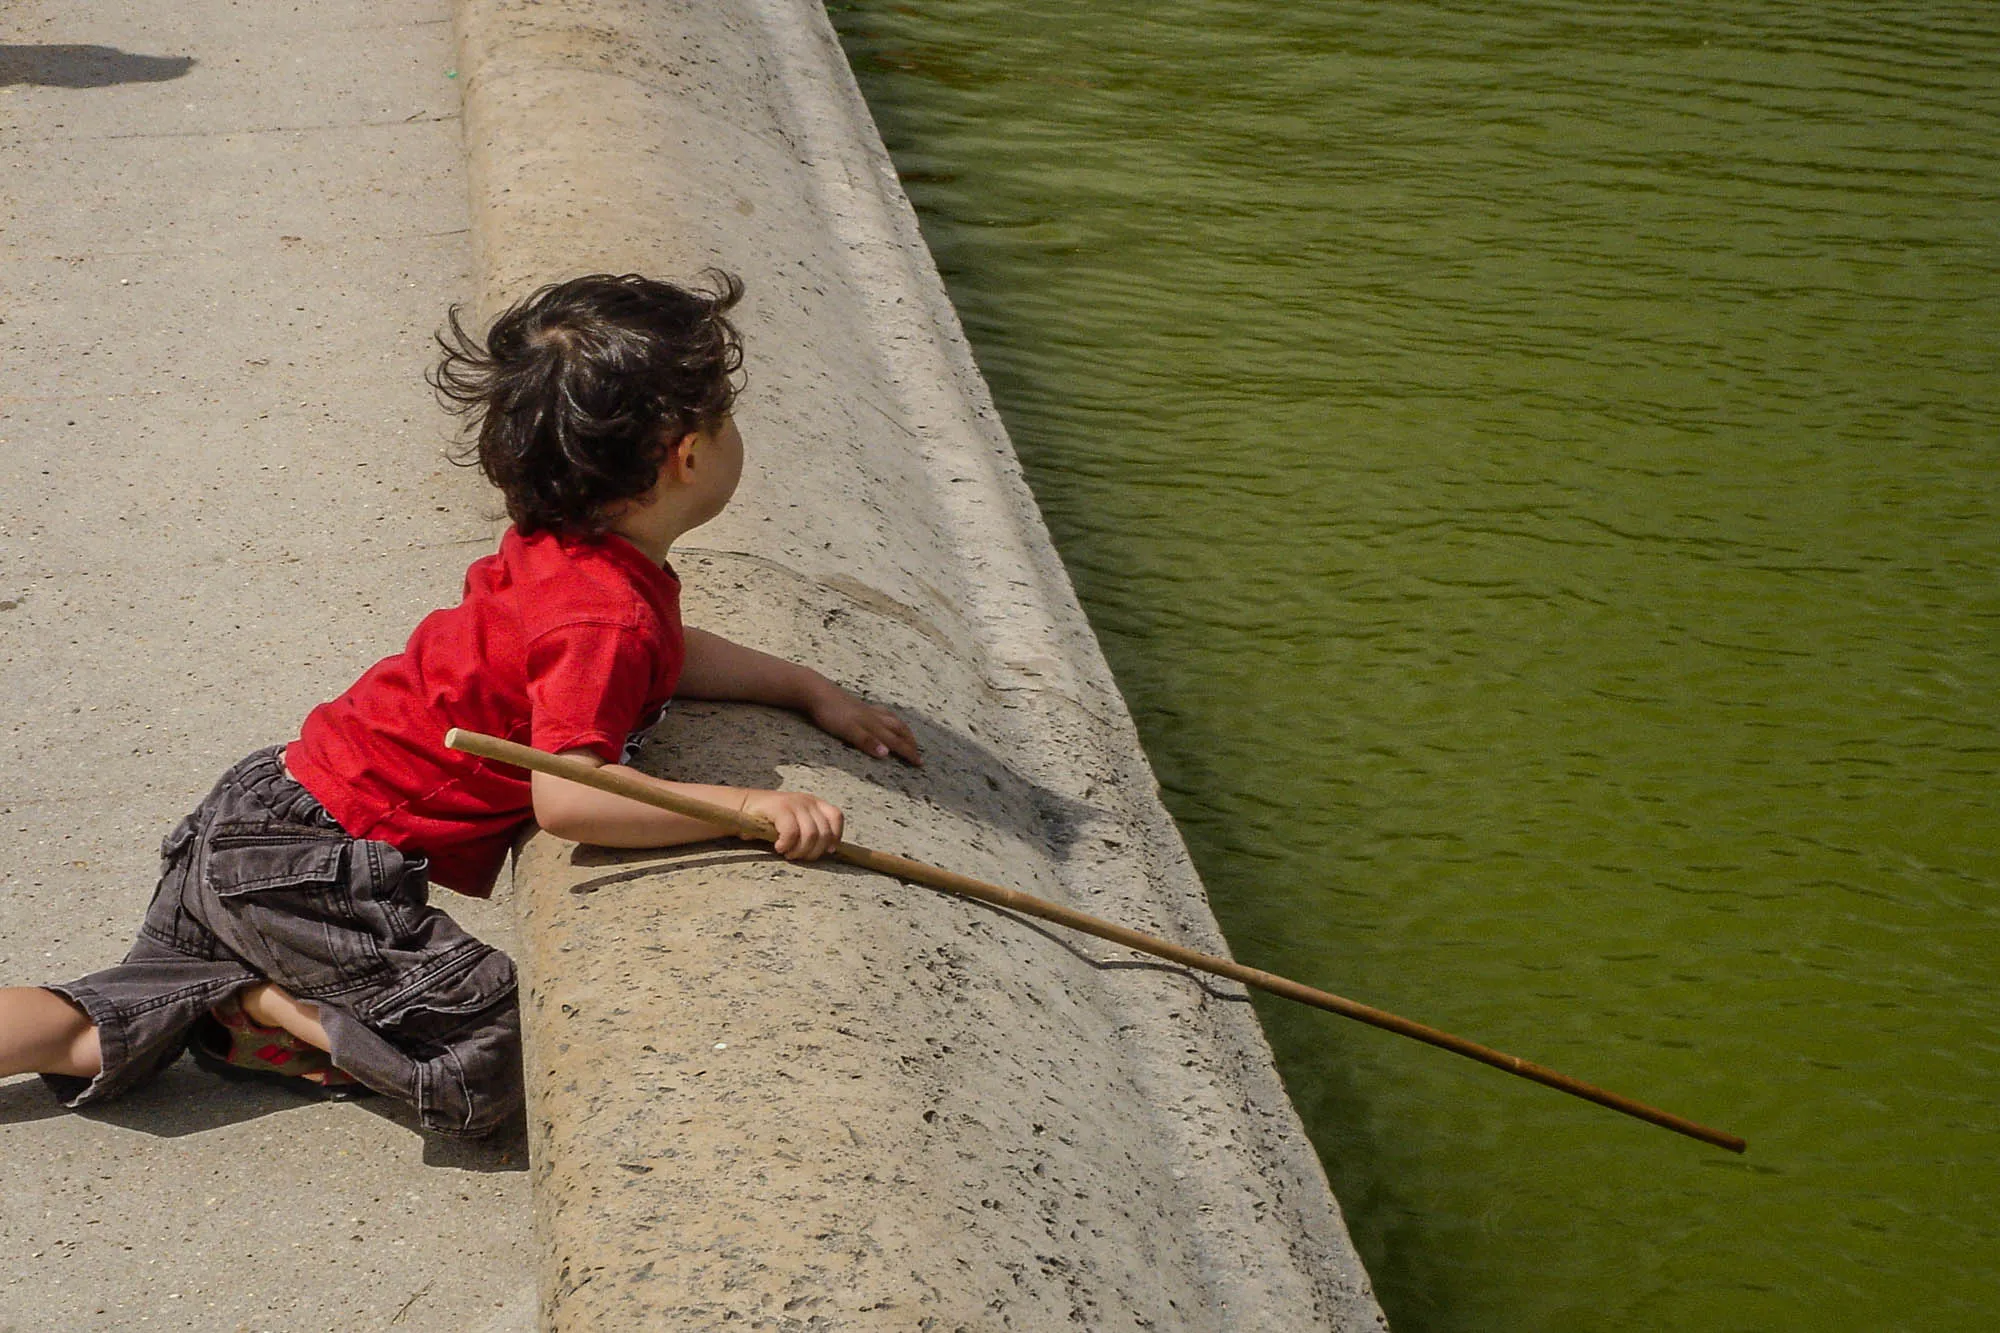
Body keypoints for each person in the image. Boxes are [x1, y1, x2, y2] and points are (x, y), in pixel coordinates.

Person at [0, 271, 920, 1136]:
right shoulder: (603, 611)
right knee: (505, 1061)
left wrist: (809, 689)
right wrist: (745, 809)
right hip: (313, 869)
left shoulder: (572, 558)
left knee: (98, 1020)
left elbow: (661, 661)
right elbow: (570, 796)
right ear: (687, 455)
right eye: (726, 420)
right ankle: (259, 1007)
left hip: (258, 813)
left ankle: (230, 993)